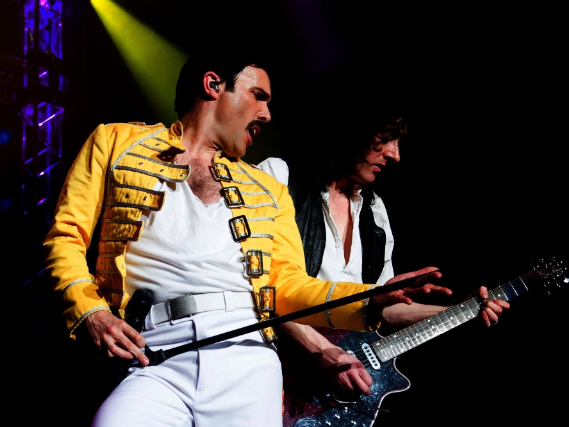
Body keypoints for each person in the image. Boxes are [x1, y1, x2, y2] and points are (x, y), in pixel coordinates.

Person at [42, 45, 451, 427]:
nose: (267, 114)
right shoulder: (114, 142)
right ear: (213, 84)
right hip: (151, 356)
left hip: (247, 358)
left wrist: (369, 298)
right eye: (259, 96)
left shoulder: (266, 189)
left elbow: (287, 286)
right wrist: (91, 313)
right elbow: (65, 237)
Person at [257, 65, 511, 400]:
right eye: (386, 138)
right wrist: (318, 348)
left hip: (323, 395)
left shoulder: (374, 213)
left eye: (398, 142)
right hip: (272, 375)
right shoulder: (278, 177)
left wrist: (459, 315)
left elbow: (383, 310)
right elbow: (256, 287)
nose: (395, 154)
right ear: (352, 127)